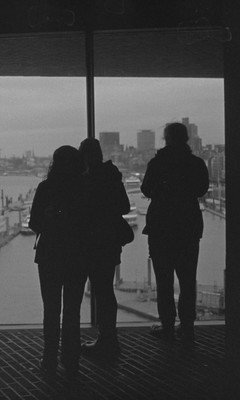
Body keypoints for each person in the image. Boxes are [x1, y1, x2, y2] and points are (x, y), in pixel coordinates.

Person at [141, 123, 209, 341]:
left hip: (161, 227)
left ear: (166, 139)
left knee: (164, 281)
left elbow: (145, 189)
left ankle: (167, 325)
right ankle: (187, 326)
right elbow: (201, 189)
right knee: (188, 280)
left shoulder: (157, 163)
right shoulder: (196, 163)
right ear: (186, 138)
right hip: (188, 227)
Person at [29, 145, 88, 378]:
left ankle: (49, 357)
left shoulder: (46, 188)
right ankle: (71, 359)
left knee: (51, 309)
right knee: (73, 309)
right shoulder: (84, 188)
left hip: (50, 253)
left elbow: (34, 223)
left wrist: (50, 220)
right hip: (77, 254)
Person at [78, 138, 131, 357]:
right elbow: (125, 206)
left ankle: (104, 339)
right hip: (109, 241)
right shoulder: (112, 175)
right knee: (106, 291)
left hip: (87, 242)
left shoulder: (83, 180)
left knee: (95, 291)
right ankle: (109, 337)